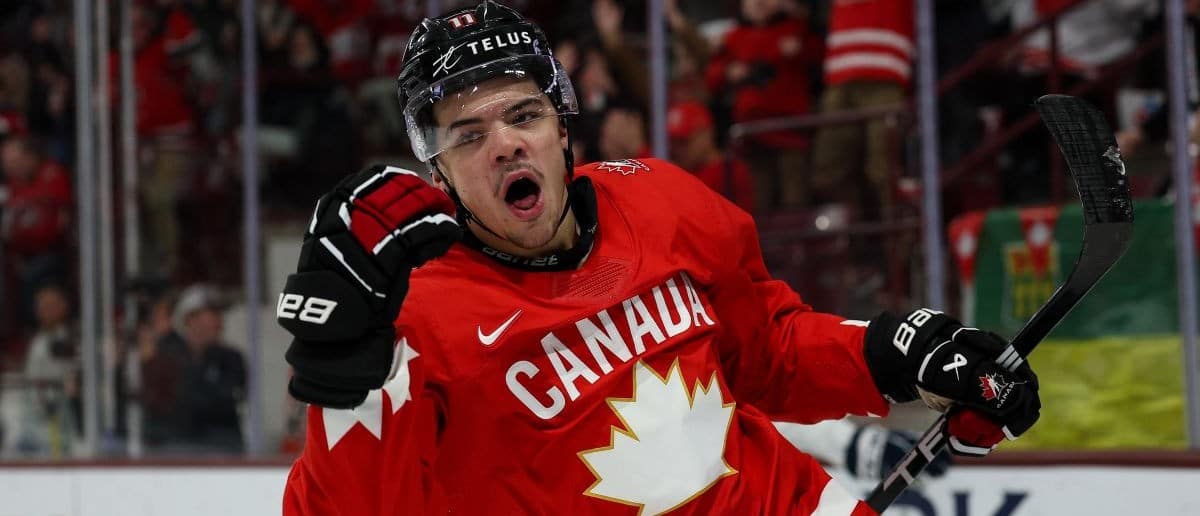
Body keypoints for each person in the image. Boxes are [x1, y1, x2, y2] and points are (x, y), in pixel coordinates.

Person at [279, 3, 1041, 514]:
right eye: (468, 134)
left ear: (562, 127)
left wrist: (894, 353)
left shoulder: (662, 203)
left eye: (523, 114)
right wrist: (343, 381)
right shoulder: (414, 314)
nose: (505, 142)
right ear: (436, 167)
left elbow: (769, 348)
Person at [141, 284, 246, 455]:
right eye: (212, 313)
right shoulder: (166, 357)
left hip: (222, 448)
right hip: (174, 448)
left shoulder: (232, 359)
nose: (220, 320)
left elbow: (225, 402)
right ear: (190, 319)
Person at [667, 100, 755, 213]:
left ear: (706, 134)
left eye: (684, 141)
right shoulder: (679, 170)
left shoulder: (730, 171)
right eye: (673, 143)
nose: (677, 150)